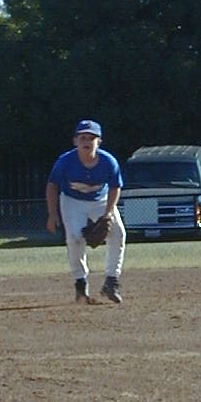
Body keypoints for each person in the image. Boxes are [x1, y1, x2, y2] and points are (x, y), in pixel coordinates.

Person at [45, 119, 126, 304]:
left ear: (99, 142)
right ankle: (80, 283)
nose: (86, 142)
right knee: (74, 237)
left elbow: (115, 187)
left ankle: (111, 281)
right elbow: (52, 185)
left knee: (118, 233)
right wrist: (52, 214)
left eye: (91, 138)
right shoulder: (65, 161)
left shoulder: (108, 162)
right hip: (72, 200)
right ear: (75, 141)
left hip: (101, 200)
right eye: (82, 138)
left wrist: (108, 214)